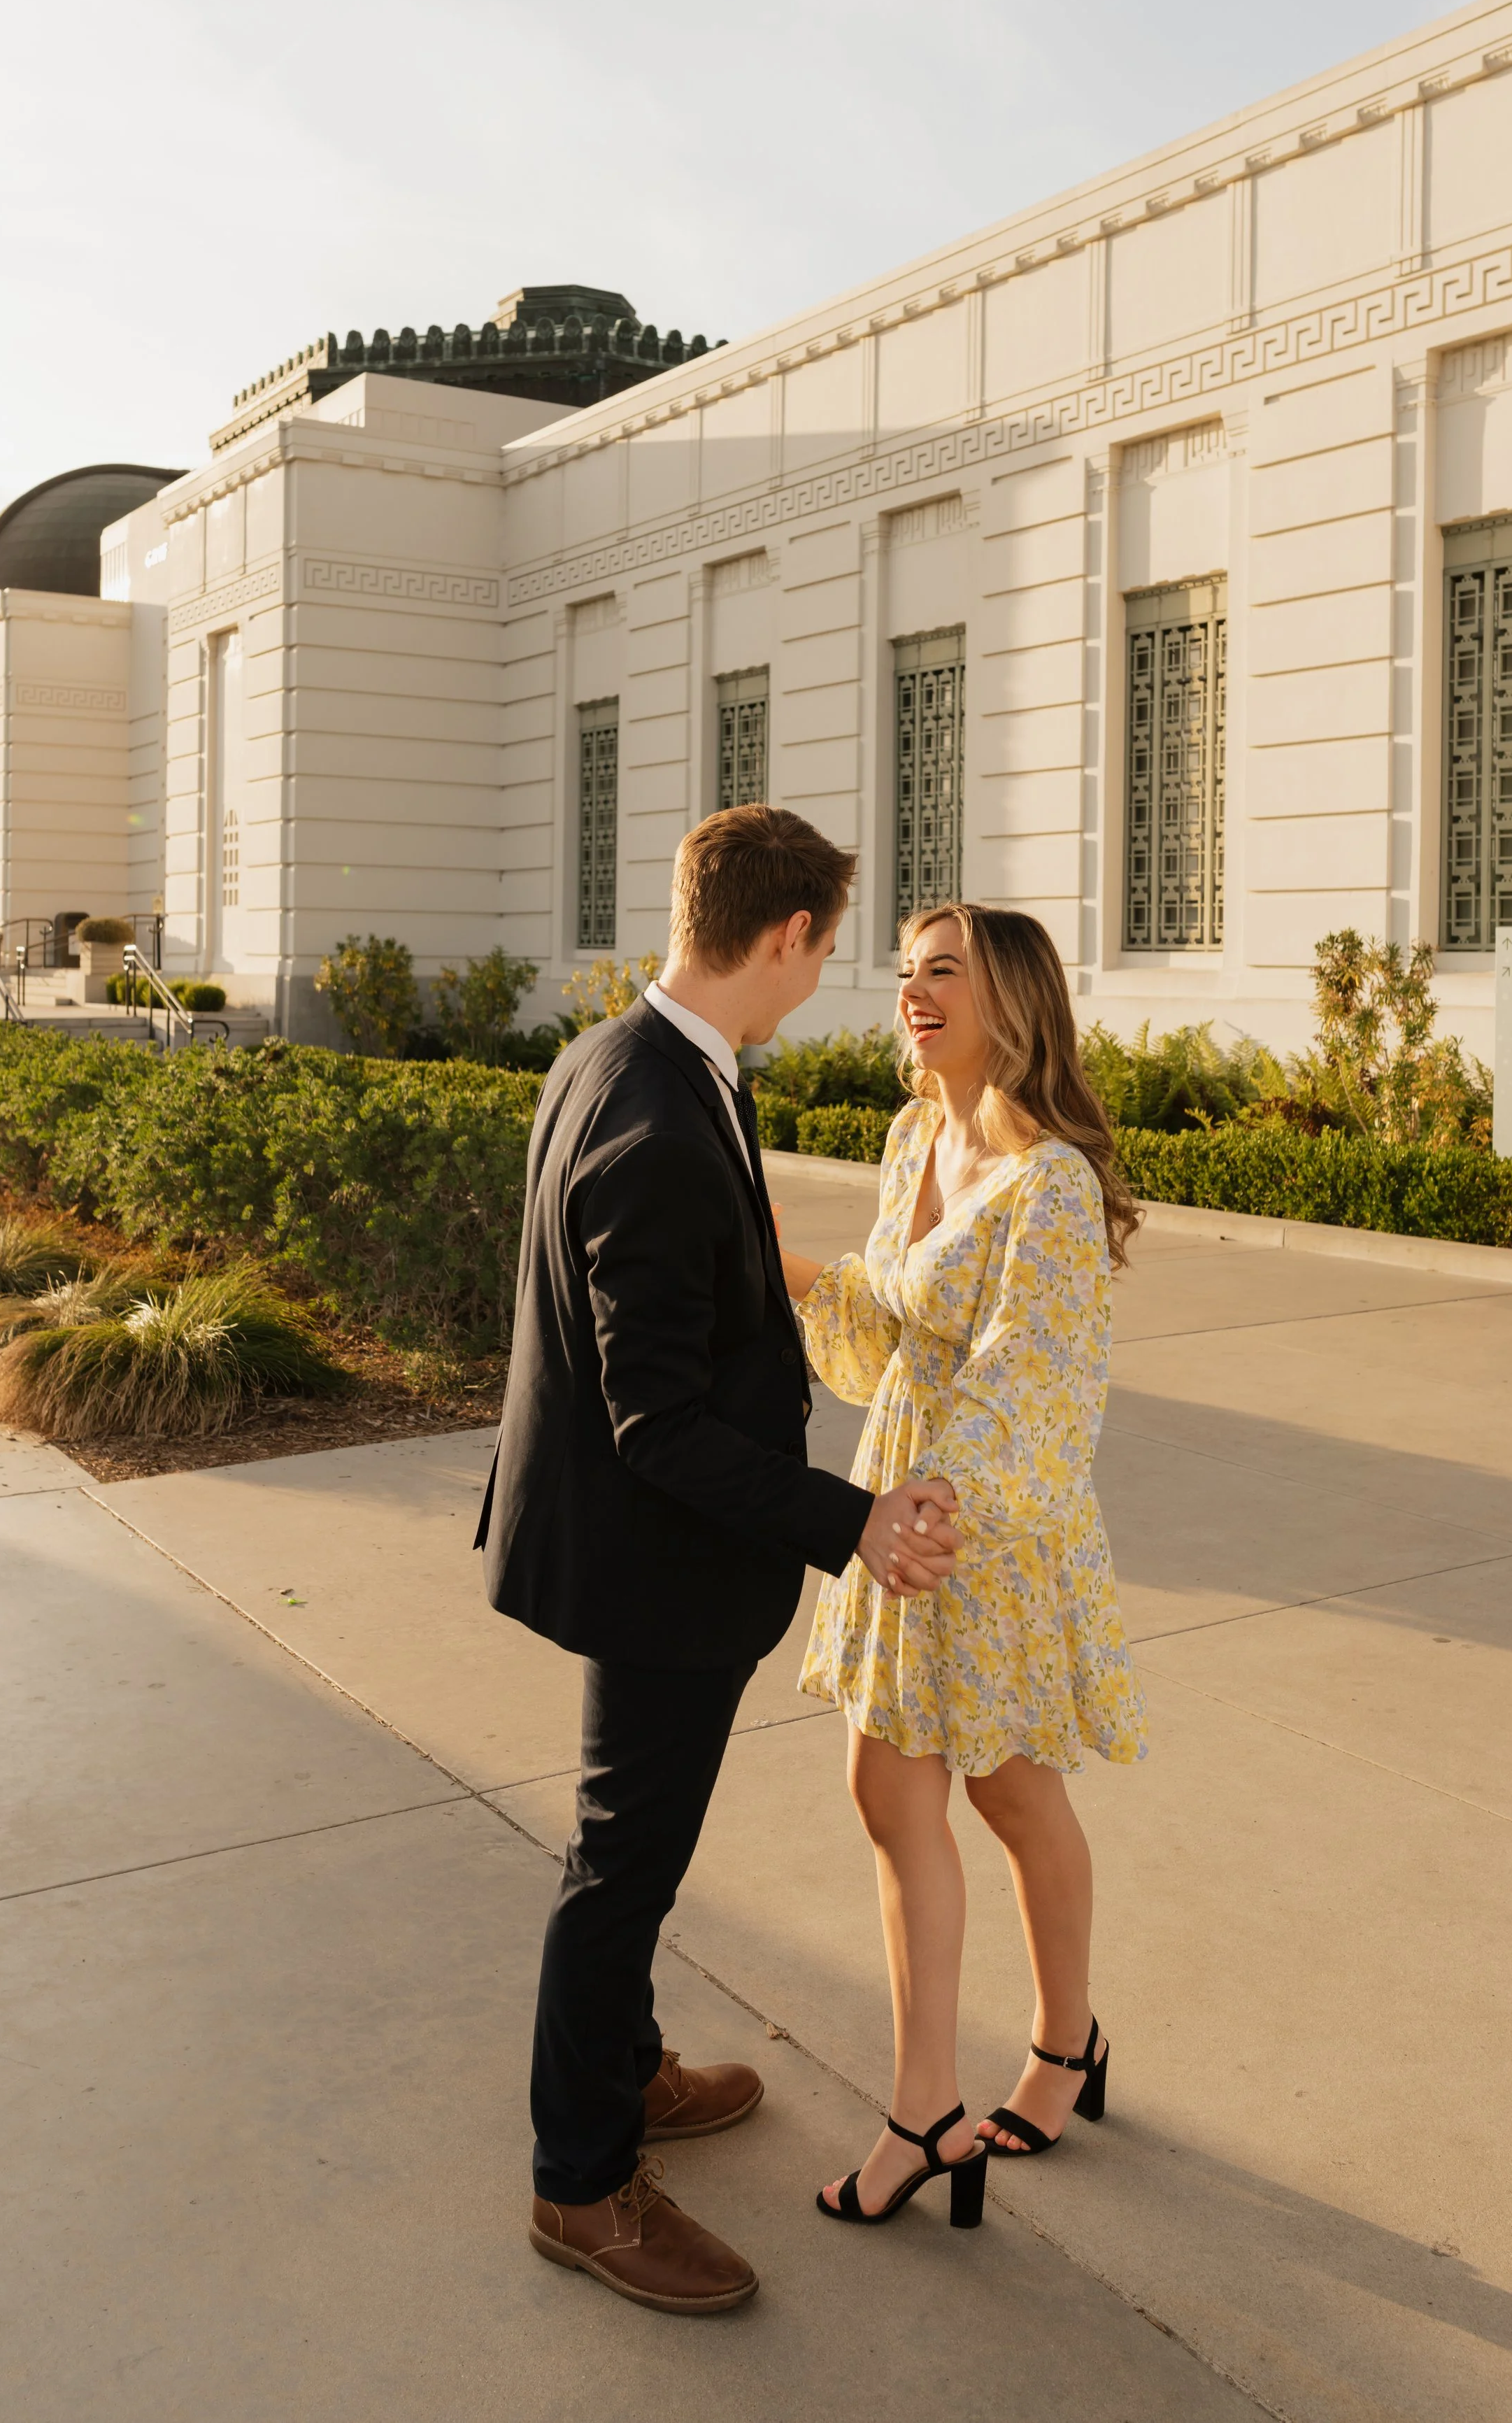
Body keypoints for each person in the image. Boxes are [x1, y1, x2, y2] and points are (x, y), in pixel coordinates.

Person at [478, 804, 963, 2315]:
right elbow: (657, 1423)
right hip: (656, 1565)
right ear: (785, 936)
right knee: (620, 1866)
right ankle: (581, 2183)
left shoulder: (625, 1055)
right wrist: (852, 1519)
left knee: (628, 1852)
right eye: (826, 950)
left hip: (639, 1550)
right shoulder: (660, 1121)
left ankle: (625, 2070)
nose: (826, 977)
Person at [778, 902, 1148, 2228]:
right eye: (908, 970)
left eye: (946, 970)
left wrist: (938, 1505)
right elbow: (887, 1322)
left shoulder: (1051, 1183)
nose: (914, 990)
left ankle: (1061, 2043)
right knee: (893, 1785)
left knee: (1010, 1792)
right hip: (902, 1498)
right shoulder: (912, 1136)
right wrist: (763, 1255)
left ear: (1013, 1002)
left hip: (980, 1519)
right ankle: (930, 2106)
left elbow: (1031, 1378)